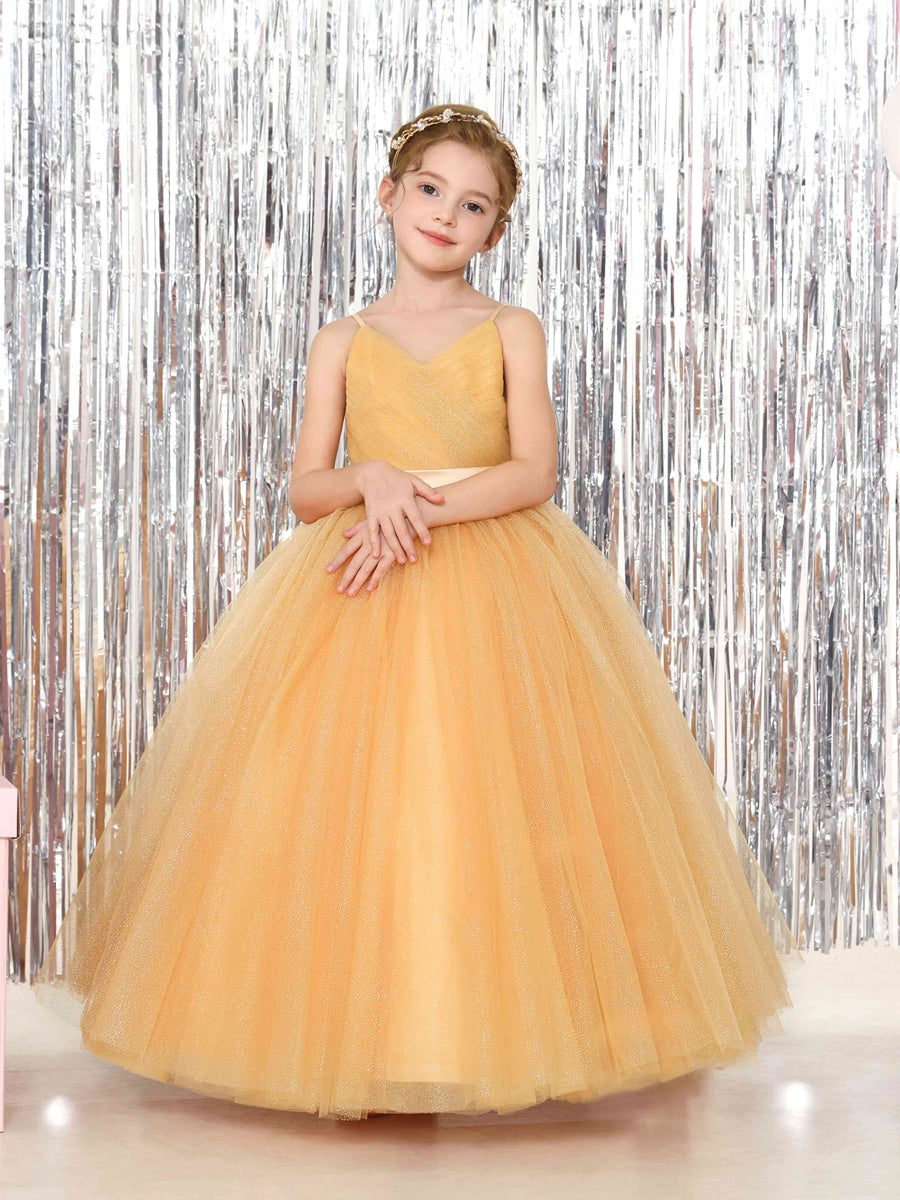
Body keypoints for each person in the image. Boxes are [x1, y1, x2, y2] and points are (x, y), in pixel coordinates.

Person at [32, 103, 804, 1122]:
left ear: (496, 230)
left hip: (496, 572)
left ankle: (498, 1032)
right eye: (431, 190)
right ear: (389, 195)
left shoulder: (511, 329)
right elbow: (307, 487)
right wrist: (372, 478)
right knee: (359, 802)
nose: (447, 214)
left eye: (474, 205)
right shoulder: (343, 339)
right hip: (358, 578)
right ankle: (372, 1039)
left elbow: (533, 471)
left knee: (492, 794)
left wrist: (417, 505)